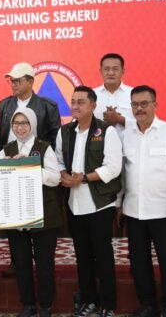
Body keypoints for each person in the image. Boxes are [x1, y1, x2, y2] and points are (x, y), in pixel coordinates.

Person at [120, 85, 166, 317]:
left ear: (155, 105)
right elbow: (123, 174)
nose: (139, 109)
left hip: (164, 210)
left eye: (144, 104)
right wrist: (119, 203)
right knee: (139, 262)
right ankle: (147, 304)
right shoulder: (125, 135)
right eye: (135, 104)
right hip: (134, 210)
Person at [55, 86, 122, 317]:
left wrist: (83, 178)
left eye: (81, 102)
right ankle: (88, 301)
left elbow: (113, 168)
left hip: (99, 204)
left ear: (93, 105)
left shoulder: (106, 131)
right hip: (74, 204)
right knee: (82, 256)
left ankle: (108, 305)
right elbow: (59, 160)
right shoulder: (65, 131)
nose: (75, 106)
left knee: (103, 256)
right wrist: (63, 174)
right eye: (73, 101)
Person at [0, 107, 61, 317]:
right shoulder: (5, 150)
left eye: (24, 123)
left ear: (33, 124)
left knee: (44, 263)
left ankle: (45, 305)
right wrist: (5, 167)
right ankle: (27, 304)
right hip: (17, 215)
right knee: (21, 262)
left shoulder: (44, 147)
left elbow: (55, 178)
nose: (20, 127)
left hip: (45, 215)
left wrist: (29, 167)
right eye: (16, 123)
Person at [0, 62, 61, 151]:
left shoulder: (48, 107)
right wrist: (0, 155)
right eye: (11, 81)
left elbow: (56, 139)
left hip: (37, 157)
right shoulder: (4, 105)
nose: (13, 84)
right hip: (8, 157)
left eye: (17, 81)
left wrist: (46, 156)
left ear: (30, 82)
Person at [93, 53, 133, 137]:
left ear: (123, 71)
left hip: (128, 144)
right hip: (99, 144)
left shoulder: (134, 94)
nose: (111, 73)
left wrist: (120, 119)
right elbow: (82, 123)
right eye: (106, 69)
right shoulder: (91, 95)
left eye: (115, 69)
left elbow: (146, 123)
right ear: (101, 71)